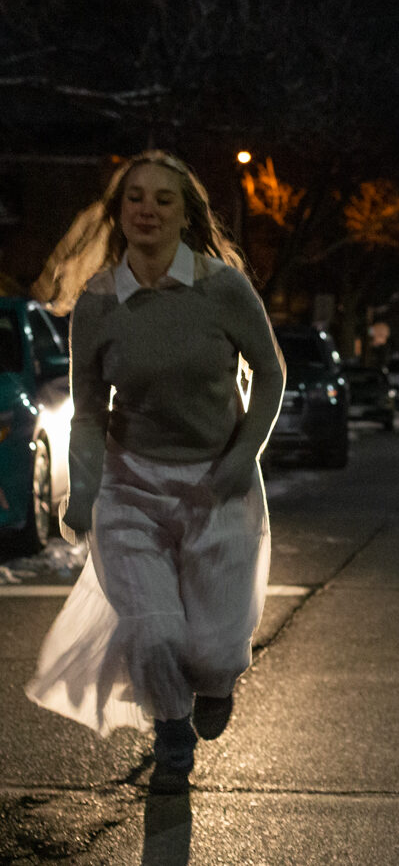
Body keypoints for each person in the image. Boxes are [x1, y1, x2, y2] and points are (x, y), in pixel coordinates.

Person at [26, 150, 286, 794]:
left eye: (163, 199)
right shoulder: (98, 301)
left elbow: (273, 377)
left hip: (217, 486)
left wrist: (239, 460)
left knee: (215, 650)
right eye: (134, 197)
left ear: (185, 213)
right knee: (153, 632)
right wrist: (82, 495)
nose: (147, 209)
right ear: (119, 212)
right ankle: (172, 740)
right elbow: (88, 413)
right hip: (131, 487)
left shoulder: (221, 287)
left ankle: (217, 683)